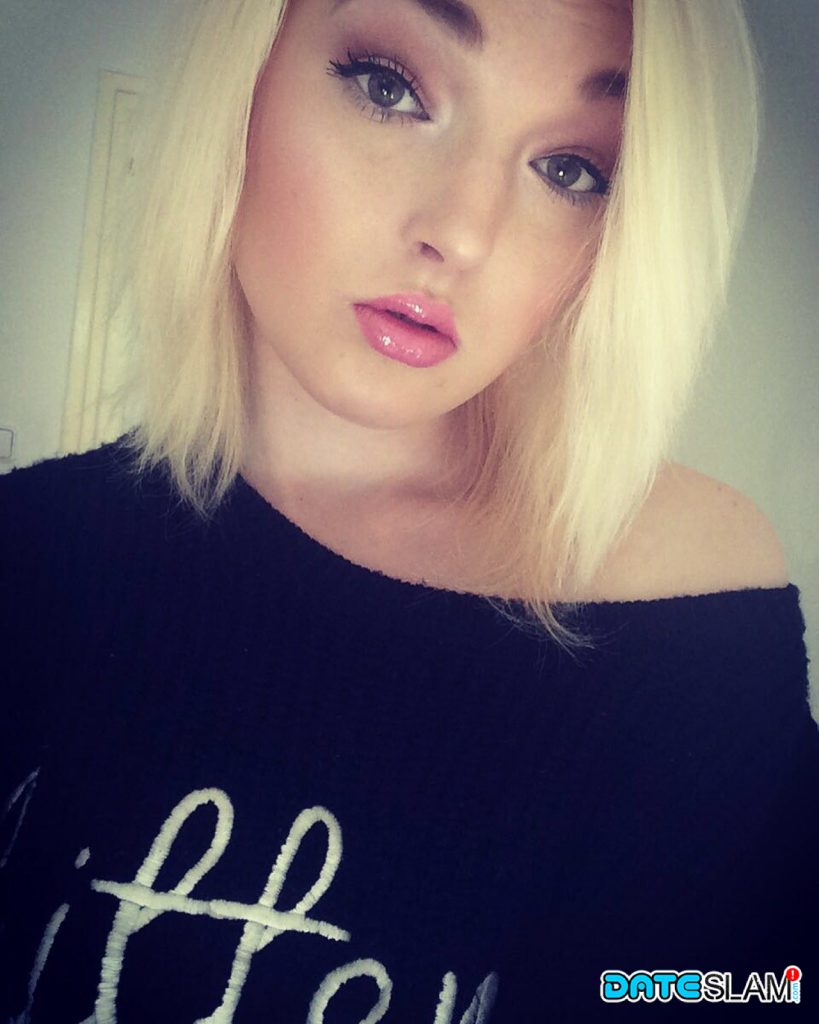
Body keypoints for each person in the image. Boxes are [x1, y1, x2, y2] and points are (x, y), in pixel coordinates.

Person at [2, 0, 817, 1020]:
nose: (462, 233)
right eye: (389, 86)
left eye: (571, 168)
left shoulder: (681, 606)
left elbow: (758, 987)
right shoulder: (32, 553)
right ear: (241, 78)